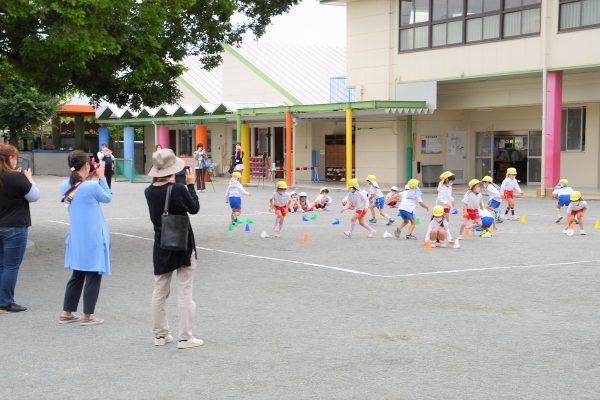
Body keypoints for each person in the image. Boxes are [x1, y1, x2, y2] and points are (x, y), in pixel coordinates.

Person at [144, 149, 203, 349]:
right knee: (185, 290)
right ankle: (185, 337)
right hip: (183, 243)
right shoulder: (178, 189)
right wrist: (191, 185)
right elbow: (194, 208)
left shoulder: (149, 191)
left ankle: (160, 335)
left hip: (161, 244)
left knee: (159, 291)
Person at [59, 150, 111, 325]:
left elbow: (80, 186)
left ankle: (67, 312)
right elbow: (107, 197)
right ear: (87, 165)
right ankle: (88, 316)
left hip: (76, 236)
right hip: (94, 235)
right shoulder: (92, 186)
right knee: (94, 273)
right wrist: (102, 177)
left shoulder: (65, 184)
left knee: (77, 273)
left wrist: (90, 177)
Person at [0, 144, 40, 313]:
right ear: (10, 159)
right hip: (15, 226)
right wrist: (29, 178)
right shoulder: (17, 178)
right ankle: (5, 301)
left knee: (1, 265)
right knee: (11, 266)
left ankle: (3, 298)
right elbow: (34, 196)